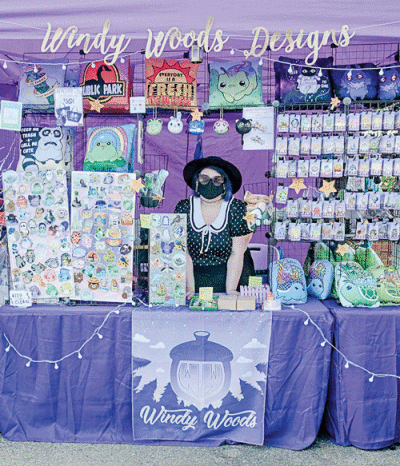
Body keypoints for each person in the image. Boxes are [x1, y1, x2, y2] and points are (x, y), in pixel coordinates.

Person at [174, 156, 255, 299]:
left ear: (225, 184)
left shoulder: (236, 208)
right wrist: (190, 287)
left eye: (217, 179)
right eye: (204, 178)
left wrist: (230, 290)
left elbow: (237, 253)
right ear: (196, 182)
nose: (210, 183)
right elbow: (183, 251)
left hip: (231, 277)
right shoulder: (184, 207)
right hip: (193, 278)